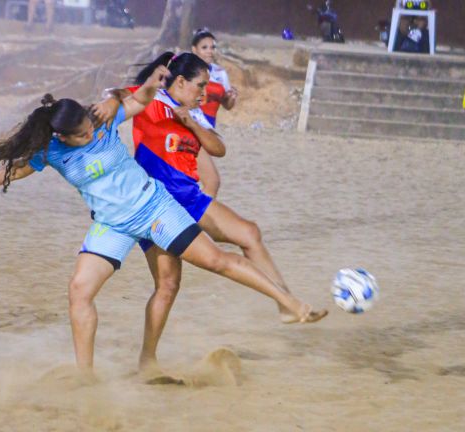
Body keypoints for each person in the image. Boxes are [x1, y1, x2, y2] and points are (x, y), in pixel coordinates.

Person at [0, 66, 325, 374]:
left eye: (92, 128)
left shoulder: (103, 120)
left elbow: (141, 97)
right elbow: (10, 172)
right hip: (112, 224)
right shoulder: (51, 152)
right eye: (83, 134)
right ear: (63, 137)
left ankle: (289, 303)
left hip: (155, 208)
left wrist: (151, 80)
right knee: (79, 291)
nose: (92, 133)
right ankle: (85, 375)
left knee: (217, 262)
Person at [115, 52, 327, 370]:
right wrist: (118, 98)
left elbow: (219, 149)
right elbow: (116, 96)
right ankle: (147, 359)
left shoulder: (194, 113)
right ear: (181, 81)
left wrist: (190, 122)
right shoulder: (151, 100)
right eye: (200, 85)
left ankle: (285, 303)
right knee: (168, 285)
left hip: (190, 198)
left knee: (249, 233)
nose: (204, 93)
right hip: (158, 205)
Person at [190, 28, 238, 198]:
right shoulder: (185, 69)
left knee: (204, 182)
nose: (210, 51)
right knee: (211, 182)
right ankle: (199, 220)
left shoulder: (219, 73)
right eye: (205, 47)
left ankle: (196, 220)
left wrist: (232, 97)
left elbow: (227, 104)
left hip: (207, 132)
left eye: (212, 47)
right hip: (189, 130)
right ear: (194, 49)